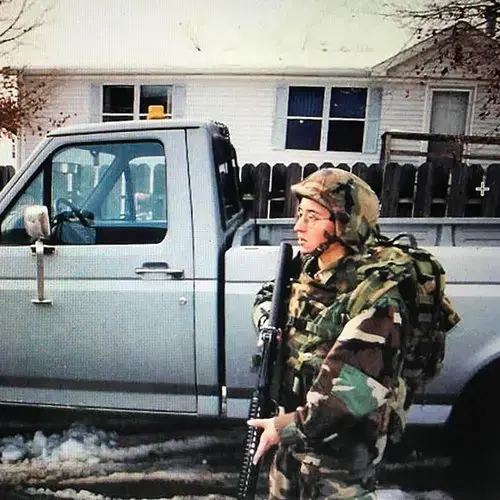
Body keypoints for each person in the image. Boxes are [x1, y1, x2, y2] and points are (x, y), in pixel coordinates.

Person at [248, 168, 414, 499]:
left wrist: (281, 428)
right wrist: (269, 323)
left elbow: (343, 399)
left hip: (338, 460)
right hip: (293, 446)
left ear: (344, 223)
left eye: (312, 217)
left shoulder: (377, 299)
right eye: (299, 215)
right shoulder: (310, 270)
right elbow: (267, 297)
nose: (298, 226)